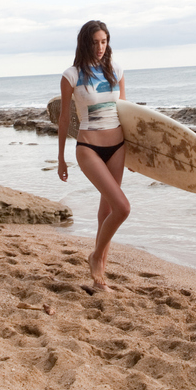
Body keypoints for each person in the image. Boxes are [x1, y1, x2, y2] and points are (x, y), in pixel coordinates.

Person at [56, 20, 130, 291]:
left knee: (108, 210)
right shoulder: (71, 76)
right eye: (95, 42)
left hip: (118, 146)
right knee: (123, 208)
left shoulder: (116, 70)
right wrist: (61, 158)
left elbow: (126, 113)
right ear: (85, 43)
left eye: (104, 41)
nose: (100, 47)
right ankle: (96, 256)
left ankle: (100, 281)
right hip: (89, 147)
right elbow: (64, 118)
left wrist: (138, 157)